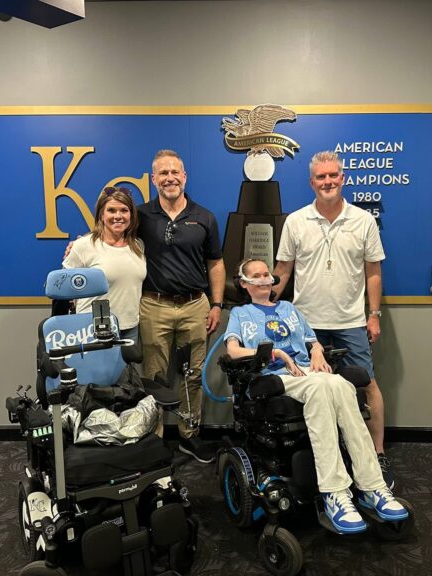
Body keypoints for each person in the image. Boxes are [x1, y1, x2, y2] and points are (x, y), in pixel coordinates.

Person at [225, 258, 407, 534]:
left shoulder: (289, 309)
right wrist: (276, 353)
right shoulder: (241, 313)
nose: (264, 279)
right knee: (322, 387)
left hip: (307, 372)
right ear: (244, 283)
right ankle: (334, 492)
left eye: (266, 274)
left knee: (342, 385)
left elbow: (313, 341)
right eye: (257, 276)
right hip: (274, 377)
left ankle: (373, 487)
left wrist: (318, 352)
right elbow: (233, 351)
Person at [273, 150, 395, 488]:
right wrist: (266, 305)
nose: (327, 182)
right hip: (305, 324)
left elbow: (373, 272)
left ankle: (378, 454)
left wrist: (373, 315)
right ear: (311, 182)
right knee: (308, 389)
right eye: (321, 177)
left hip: (350, 322)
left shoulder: (363, 221)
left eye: (333, 175)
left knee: (367, 384)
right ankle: (316, 457)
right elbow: (283, 270)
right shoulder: (296, 221)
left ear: (342, 178)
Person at [135, 150, 226, 463]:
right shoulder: (140, 216)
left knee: (192, 374)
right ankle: (155, 438)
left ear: (184, 177)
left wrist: (217, 304)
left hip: (195, 306)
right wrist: (81, 244)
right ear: (154, 179)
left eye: (175, 172)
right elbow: (112, 237)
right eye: (163, 173)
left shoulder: (204, 217)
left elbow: (215, 263)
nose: (170, 178)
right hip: (154, 305)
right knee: (154, 376)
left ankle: (190, 434)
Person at [62, 186, 146, 341]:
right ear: (101, 214)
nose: (118, 216)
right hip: (93, 329)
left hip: (130, 327)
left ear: (131, 215)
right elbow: (64, 288)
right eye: (111, 210)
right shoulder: (83, 246)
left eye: (124, 210)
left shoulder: (138, 246)